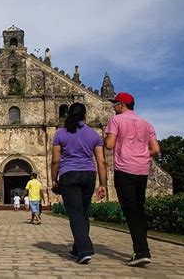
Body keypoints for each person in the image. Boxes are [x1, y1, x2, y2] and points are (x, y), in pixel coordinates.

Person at [104, 92, 160, 267]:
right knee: (139, 208)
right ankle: (143, 249)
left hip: (124, 169)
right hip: (142, 170)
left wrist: (105, 138)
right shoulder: (146, 123)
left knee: (130, 211)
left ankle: (141, 251)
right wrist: (142, 154)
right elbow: (156, 149)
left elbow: (110, 144)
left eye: (115, 105)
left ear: (121, 105)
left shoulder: (117, 120)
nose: (114, 108)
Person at [51, 102, 107, 264]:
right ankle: (77, 248)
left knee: (75, 214)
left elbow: (55, 160)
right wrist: (102, 184)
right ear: (85, 116)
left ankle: (84, 250)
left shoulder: (60, 134)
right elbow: (101, 161)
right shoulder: (94, 135)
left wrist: (54, 180)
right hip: (89, 175)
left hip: (69, 175)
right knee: (83, 212)